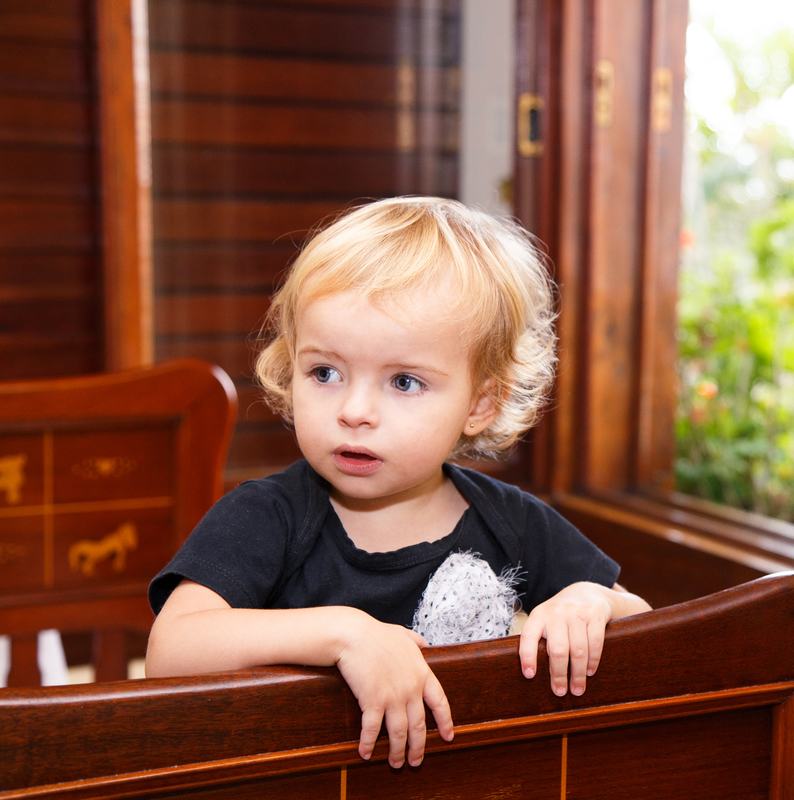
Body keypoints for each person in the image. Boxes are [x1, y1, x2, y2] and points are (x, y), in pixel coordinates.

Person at [144, 197, 650, 770]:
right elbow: (171, 651)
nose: (355, 410)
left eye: (404, 382)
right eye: (325, 372)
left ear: (481, 403)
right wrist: (344, 634)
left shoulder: (514, 522)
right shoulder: (266, 516)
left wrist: (592, 602)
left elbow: (646, 627)